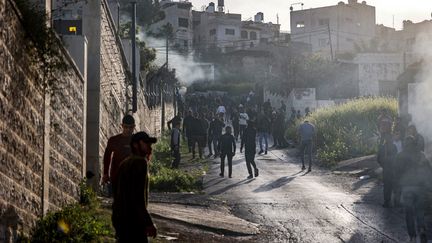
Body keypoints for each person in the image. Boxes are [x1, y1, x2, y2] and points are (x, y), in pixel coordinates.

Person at [112, 132, 158, 242]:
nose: (149, 147)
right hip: (133, 221)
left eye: (150, 144)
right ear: (136, 145)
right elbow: (137, 198)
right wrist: (148, 223)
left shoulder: (125, 163)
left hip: (121, 219)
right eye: (146, 143)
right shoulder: (140, 163)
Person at [394, 136, 432, 243]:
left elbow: (396, 174)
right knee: (419, 212)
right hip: (420, 188)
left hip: (407, 188)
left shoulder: (400, 156)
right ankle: (421, 229)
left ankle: (413, 237)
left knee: (409, 213)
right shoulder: (421, 155)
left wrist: (397, 190)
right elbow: (428, 171)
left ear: (405, 144)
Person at [102, 115, 135, 196]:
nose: (128, 130)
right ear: (122, 126)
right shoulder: (114, 140)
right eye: (126, 127)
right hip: (116, 176)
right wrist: (106, 173)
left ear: (134, 127)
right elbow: (107, 157)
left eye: (130, 127)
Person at [377, 133, 398, 208]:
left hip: (388, 169)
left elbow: (379, 159)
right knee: (392, 186)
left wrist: (383, 165)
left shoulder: (383, 147)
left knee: (388, 186)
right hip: (391, 169)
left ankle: (387, 202)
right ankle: (394, 203)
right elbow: (379, 159)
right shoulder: (391, 147)